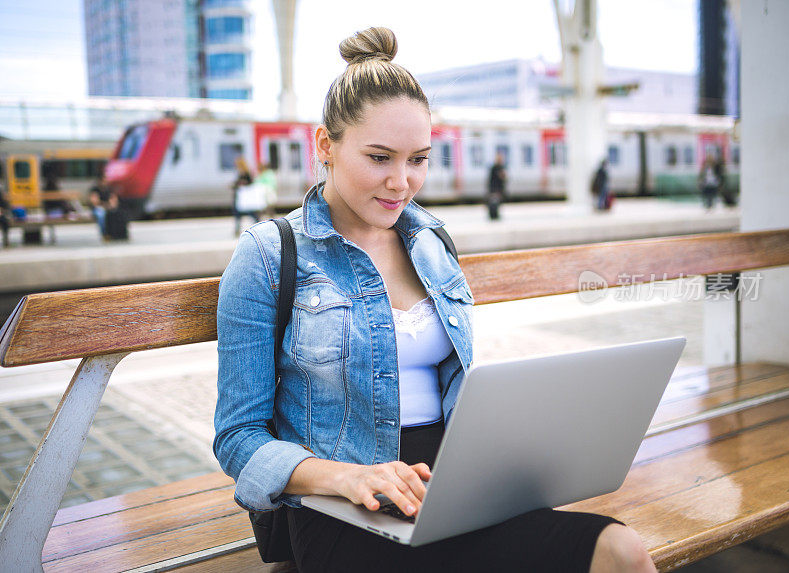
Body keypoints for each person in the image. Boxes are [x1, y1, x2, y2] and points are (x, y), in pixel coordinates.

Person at [215, 27, 655, 573]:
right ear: (325, 145)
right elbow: (237, 438)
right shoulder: (268, 255)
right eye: (379, 158)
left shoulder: (432, 245)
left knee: (622, 551)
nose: (402, 182)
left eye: (418, 159)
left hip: (455, 488)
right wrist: (348, 476)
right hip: (342, 503)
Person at [232, 156, 260, 235]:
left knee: (249, 212)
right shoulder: (241, 172)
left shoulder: (246, 173)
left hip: (245, 197)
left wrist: (241, 183)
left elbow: (250, 182)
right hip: (240, 197)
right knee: (239, 213)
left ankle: (258, 224)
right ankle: (237, 230)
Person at [486, 152, 506, 220]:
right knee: (494, 203)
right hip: (495, 189)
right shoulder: (496, 168)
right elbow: (501, 177)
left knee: (496, 203)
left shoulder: (499, 167)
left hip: (497, 189)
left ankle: (495, 215)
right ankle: (494, 215)